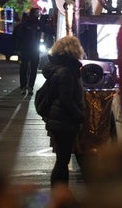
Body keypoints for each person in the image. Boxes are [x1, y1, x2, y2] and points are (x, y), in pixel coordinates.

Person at [40, 35, 85, 187]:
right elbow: (66, 100)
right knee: (62, 161)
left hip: (58, 120)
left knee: (62, 159)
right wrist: (79, 116)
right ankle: (60, 193)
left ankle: (61, 192)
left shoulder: (60, 69)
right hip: (64, 121)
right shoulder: (66, 71)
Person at [13, 8, 42, 95]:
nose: (38, 14)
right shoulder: (24, 25)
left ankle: (30, 87)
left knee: (33, 69)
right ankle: (23, 86)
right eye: (37, 13)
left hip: (35, 50)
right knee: (24, 68)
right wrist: (17, 48)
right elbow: (17, 36)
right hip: (25, 50)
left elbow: (47, 31)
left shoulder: (39, 24)